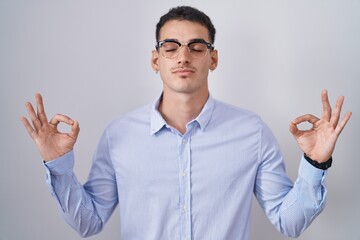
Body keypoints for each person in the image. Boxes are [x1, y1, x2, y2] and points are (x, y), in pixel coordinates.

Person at [21, 6, 352, 240]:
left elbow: (288, 223)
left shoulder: (251, 132)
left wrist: (315, 162)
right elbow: (88, 223)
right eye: (170, 47)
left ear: (213, 58)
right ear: (156, 60)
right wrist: (58, 165)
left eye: (196, 46)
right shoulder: (119, 135)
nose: (183, 56)